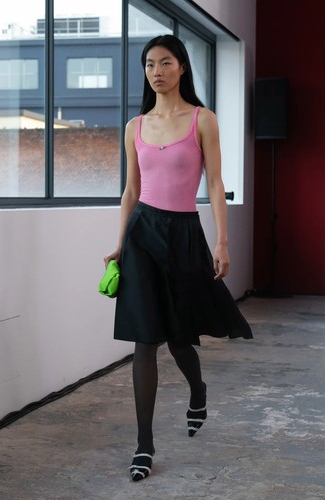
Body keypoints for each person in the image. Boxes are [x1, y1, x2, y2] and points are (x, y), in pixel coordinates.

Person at [104, 34, 251, 482]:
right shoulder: (134, 126)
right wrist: (119, 243)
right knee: (144, 340)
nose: (157, 71)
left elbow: (215, 183)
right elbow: (131, 190)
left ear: (182, 66)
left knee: (179, 336)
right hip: (142, 235)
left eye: (166, 62)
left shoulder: (203, 119)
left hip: (185, 234)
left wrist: (222, 242)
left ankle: (198, 389)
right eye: (150, 64)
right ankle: (144, 445)